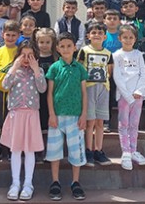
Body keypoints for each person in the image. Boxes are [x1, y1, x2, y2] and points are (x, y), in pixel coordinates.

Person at [1, 41, 47, 201]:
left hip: (31, 115)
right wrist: (13, 68)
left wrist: (36, 71)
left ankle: (28, 183)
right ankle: (15, 183)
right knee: (15, 150)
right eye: (23, 55)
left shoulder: (38, 71)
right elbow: (5, 85)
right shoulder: (14, 71)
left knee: (29, 150)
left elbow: (42, 88)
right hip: (15, 114)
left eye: (30, 56)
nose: (27, 59)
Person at [46, 32, 88, 201]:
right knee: (55, 151)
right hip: (57, 116)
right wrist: (51, 114)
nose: (65, 49)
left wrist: (84, 114)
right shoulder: (55, 67)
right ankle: (55, 182)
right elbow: (49, 93)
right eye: (62, 46)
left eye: (69, 46)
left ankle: (75, 182)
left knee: (75, 151)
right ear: (57, 48)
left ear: (75, 47)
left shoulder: (80, 68)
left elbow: (84, 93)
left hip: (75, 117)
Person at [112, 25, 145, 170]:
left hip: (138, 96)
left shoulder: (138, 55)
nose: (128, 40)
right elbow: (118, 76)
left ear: (135, 39)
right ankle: (125, 152)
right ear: (120, 38)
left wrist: (139, 90)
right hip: (124, 96)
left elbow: (143, 74)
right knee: (124, 125)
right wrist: (127, 95)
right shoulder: (117, 55)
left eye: (131, 37)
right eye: (125, 37)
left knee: (134, 124)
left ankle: (133, 150)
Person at [77, 21, 112, 167]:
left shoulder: (108, 53)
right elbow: (79, 68)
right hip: (89, 88)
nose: (97, 35)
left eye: (100, 33)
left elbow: (109, 71)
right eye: (94, 33)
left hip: (103, 88)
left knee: (100, 122)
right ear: (88, 35)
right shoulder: (84, 51)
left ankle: (99, 149)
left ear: (105, 37)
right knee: (90, 121)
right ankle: (88, 150)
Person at [0, 20, 20, 161]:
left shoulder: (19, 52)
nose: (10, 38)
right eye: (8, 35)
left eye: (13, 35)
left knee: (12, 120)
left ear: (18, 36)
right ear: (3, 34)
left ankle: (12, 147)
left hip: (14, 92)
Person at [34, 27, 58, 163]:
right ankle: (38, 151)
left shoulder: (56, 58)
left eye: (47, 42)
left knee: (49, 123)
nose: (44, 45)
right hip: (37, 95)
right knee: (37, 123)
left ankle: (51, 151)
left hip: (52, 95)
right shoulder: (34, 57)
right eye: (41, 42)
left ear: (52, 43)